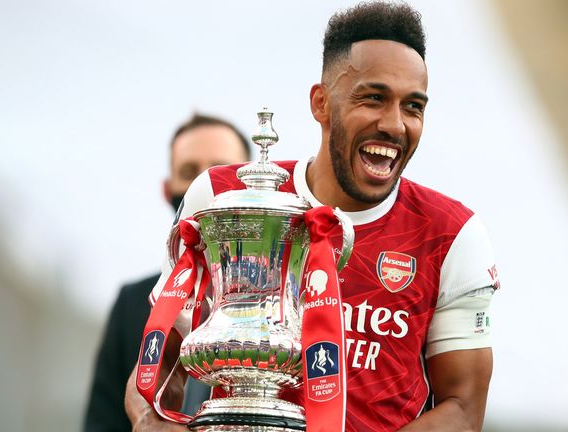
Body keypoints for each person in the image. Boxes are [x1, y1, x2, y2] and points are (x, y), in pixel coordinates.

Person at [125, 2, 500, 431]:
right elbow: (157, 361)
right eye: (373, 98)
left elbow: (463, 408)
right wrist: (152, 424)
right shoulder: (223, 198)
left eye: (413, 106)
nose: (395, 125)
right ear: (321, 103)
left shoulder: (451, 234)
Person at [83, 113, 250, 432]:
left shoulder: (292, 297)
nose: (203, 185)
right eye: (189, 173)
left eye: (218, 170)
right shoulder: (133, 303)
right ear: (167, 189)